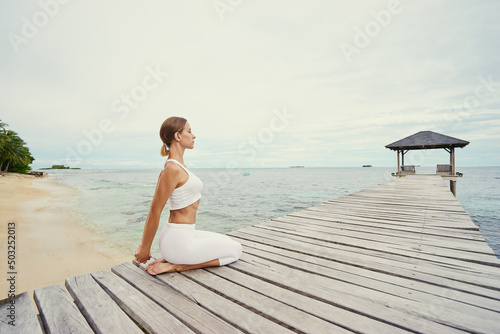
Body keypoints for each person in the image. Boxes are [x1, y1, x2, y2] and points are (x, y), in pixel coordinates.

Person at [134, 116, 242, 275]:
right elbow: (154, 210)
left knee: (228, 241)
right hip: (178, 242)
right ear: (177, 136)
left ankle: (169, 258)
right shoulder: (171, 170)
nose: (194, 136)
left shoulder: (179, 167)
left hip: (182, 236)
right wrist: (145, 248)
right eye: (189, 131)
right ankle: (178, 265)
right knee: (236, 250)